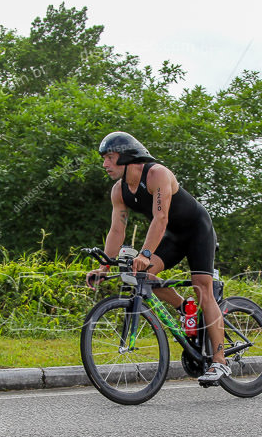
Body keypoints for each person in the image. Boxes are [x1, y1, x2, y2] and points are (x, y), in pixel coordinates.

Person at [86, 131, 229, 384]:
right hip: (172, 236)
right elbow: (117, 230)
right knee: (142, 275)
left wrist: (145, 252)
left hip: (197, 230)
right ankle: (185, 309)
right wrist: (103, 267)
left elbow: (160, 217)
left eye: (110, 157)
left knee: (202, 288)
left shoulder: (157, 174)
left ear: (127, 157)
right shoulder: (119, 191)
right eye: (103, 159)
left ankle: (220, 362)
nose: (105, 164)